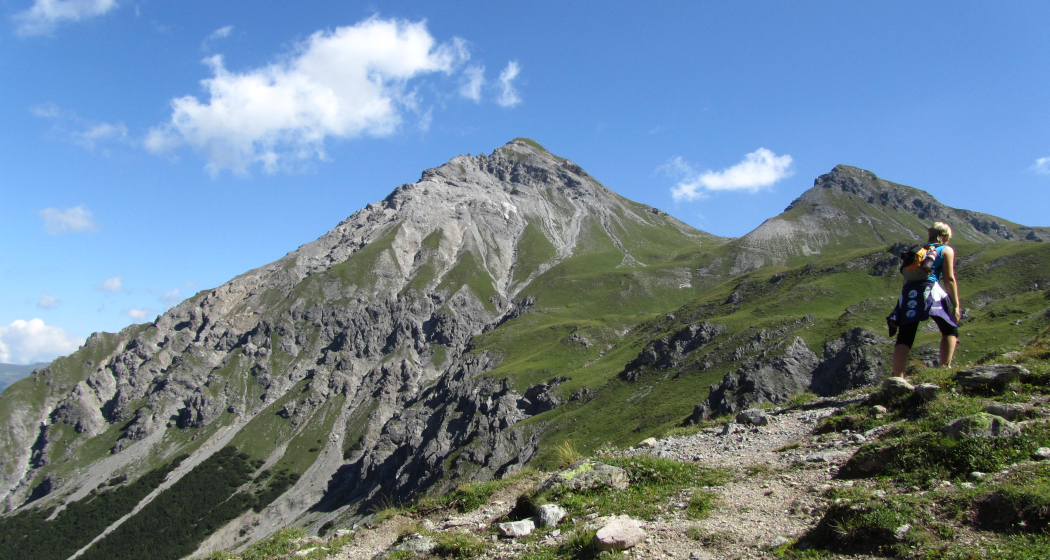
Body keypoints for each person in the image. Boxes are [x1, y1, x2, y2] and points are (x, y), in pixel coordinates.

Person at [888, 222, 962, 376]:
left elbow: (905, 278)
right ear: (944, 237)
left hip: (908, 293)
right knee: (949, 328)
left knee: (905, 336)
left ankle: (897, 376)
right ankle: (945, 368)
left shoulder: (917, 251)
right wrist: (955, 305)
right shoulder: (945, 250)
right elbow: (949, 279)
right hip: (931, 290)